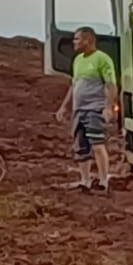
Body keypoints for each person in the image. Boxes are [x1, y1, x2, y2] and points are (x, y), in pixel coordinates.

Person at [55, 26, 118, 192]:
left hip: (94, 109)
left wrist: (108, 107)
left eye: (77, 39)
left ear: (87, 40)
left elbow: (110, 84)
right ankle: (85, 181)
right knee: (81, 146)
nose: (74, 42)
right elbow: (73, 85)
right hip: (79, 110)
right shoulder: (77, 60)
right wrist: (64, 106)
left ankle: (104, 181)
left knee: (97, 144)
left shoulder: (102, 59)